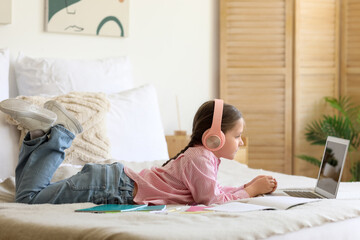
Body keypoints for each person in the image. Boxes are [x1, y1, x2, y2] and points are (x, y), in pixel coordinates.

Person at [0, 98, 277, 205]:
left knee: (28, 194)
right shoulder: (200, 158)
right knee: (28, 200)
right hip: (111, 187)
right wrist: (249, 193)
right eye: (237, 136)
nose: (241, 142)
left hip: (111, 181)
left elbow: (211, 189)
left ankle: (38, 133)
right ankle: (59, 133)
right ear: (214, 137)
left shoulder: (200, 156)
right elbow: (210, 200)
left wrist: (244, 185)